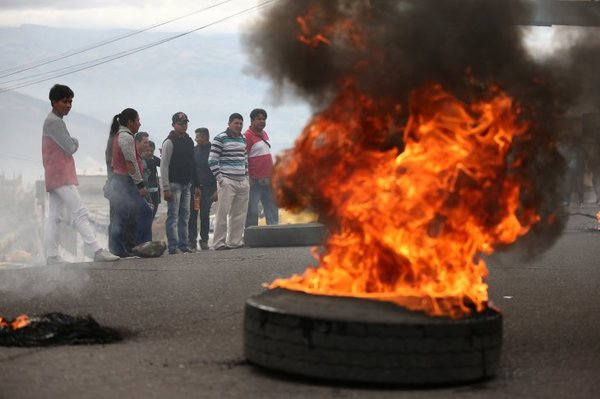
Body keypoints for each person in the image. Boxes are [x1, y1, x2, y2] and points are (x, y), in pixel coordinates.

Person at [42, 84, 119, 264]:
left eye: (70, 101)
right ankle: (96, 250)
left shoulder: (52, 120)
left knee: (54, 217)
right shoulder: (55, 122)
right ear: (54, 102)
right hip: (60, 174)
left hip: (54, 173)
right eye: (64, 101)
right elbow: (70, 147)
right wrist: (75, 142)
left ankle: (52, 256)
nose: (68, 105)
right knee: (80, 212)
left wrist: (70, 143)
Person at [106, 108, 150, 257]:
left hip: (120, 181)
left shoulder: (120, 135)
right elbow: (131, 164)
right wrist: (141, 185)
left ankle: (118, 249)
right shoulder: (126, 137)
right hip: (125, 182)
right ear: (130, 122)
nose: (139, 123)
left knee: (120, 217)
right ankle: (145, 246)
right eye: (137, 120)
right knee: (145, 211)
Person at [208, 113, 249, 250]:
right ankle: (219, 243)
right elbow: (212, 160)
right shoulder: (220, 138)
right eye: (236, 123)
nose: (239, 126)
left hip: (242, 181)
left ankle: (234, 241)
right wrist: (220, 179)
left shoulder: (243, 138)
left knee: (239, 213)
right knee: (222, 212)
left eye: (241, 123)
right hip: (227, 181)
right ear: (229, 123)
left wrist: (246, 175)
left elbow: (244, 158)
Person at [161, 112, 198, 254]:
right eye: (180, 123)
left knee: (185, 216)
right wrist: (165, 188)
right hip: (173, 184)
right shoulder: (169, 142)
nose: (184, 126)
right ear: (173, 125)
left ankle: (184, 245)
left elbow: (192, 163)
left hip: (187, 184)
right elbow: (164, 165)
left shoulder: (189, 141)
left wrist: (196, 183)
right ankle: (173, 246)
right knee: (173, 216)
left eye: (185, 123)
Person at [244, 108, 279, 227]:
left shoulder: (265, 134)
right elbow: (244, 158)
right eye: (259, 119)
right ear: (252, 121)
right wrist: (248, 177)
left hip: (269, 180)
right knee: (252, 211)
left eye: (264, 119)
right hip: (255, 182)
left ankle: (274, 235)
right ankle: (251, 236)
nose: (262, 121)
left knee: (272, 209)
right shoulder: (246, 136)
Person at [188, 128, 218, 251]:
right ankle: (192, 241)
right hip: (195, 189)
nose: (196, 139)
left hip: (210, 188)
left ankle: (204, 240)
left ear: (205, 137)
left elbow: (218, 171)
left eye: (198, 137)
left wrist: (217, 190)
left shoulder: (214, 151)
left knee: (205, 215)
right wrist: (194, 186)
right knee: (192, 215)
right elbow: (190, 170)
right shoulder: (193, 151)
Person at [134, 131, 154, 242]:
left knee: (147, 212)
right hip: (133, 191)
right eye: (145, 142)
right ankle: (144, 244)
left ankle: (144, 243)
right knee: (146, 212)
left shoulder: (142, 158)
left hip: (142, 191)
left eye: (148, 142)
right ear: (137, 142)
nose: (147, 145)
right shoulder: (133, 155)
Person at [142, 140, 161, 219]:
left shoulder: (154, 159)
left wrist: (163, 155)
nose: (149, 153)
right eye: (147, 150)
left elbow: (164, 164)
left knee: (153, 213)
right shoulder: (140, 160)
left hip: (155, 191)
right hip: (145, 191)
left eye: (151, 151)